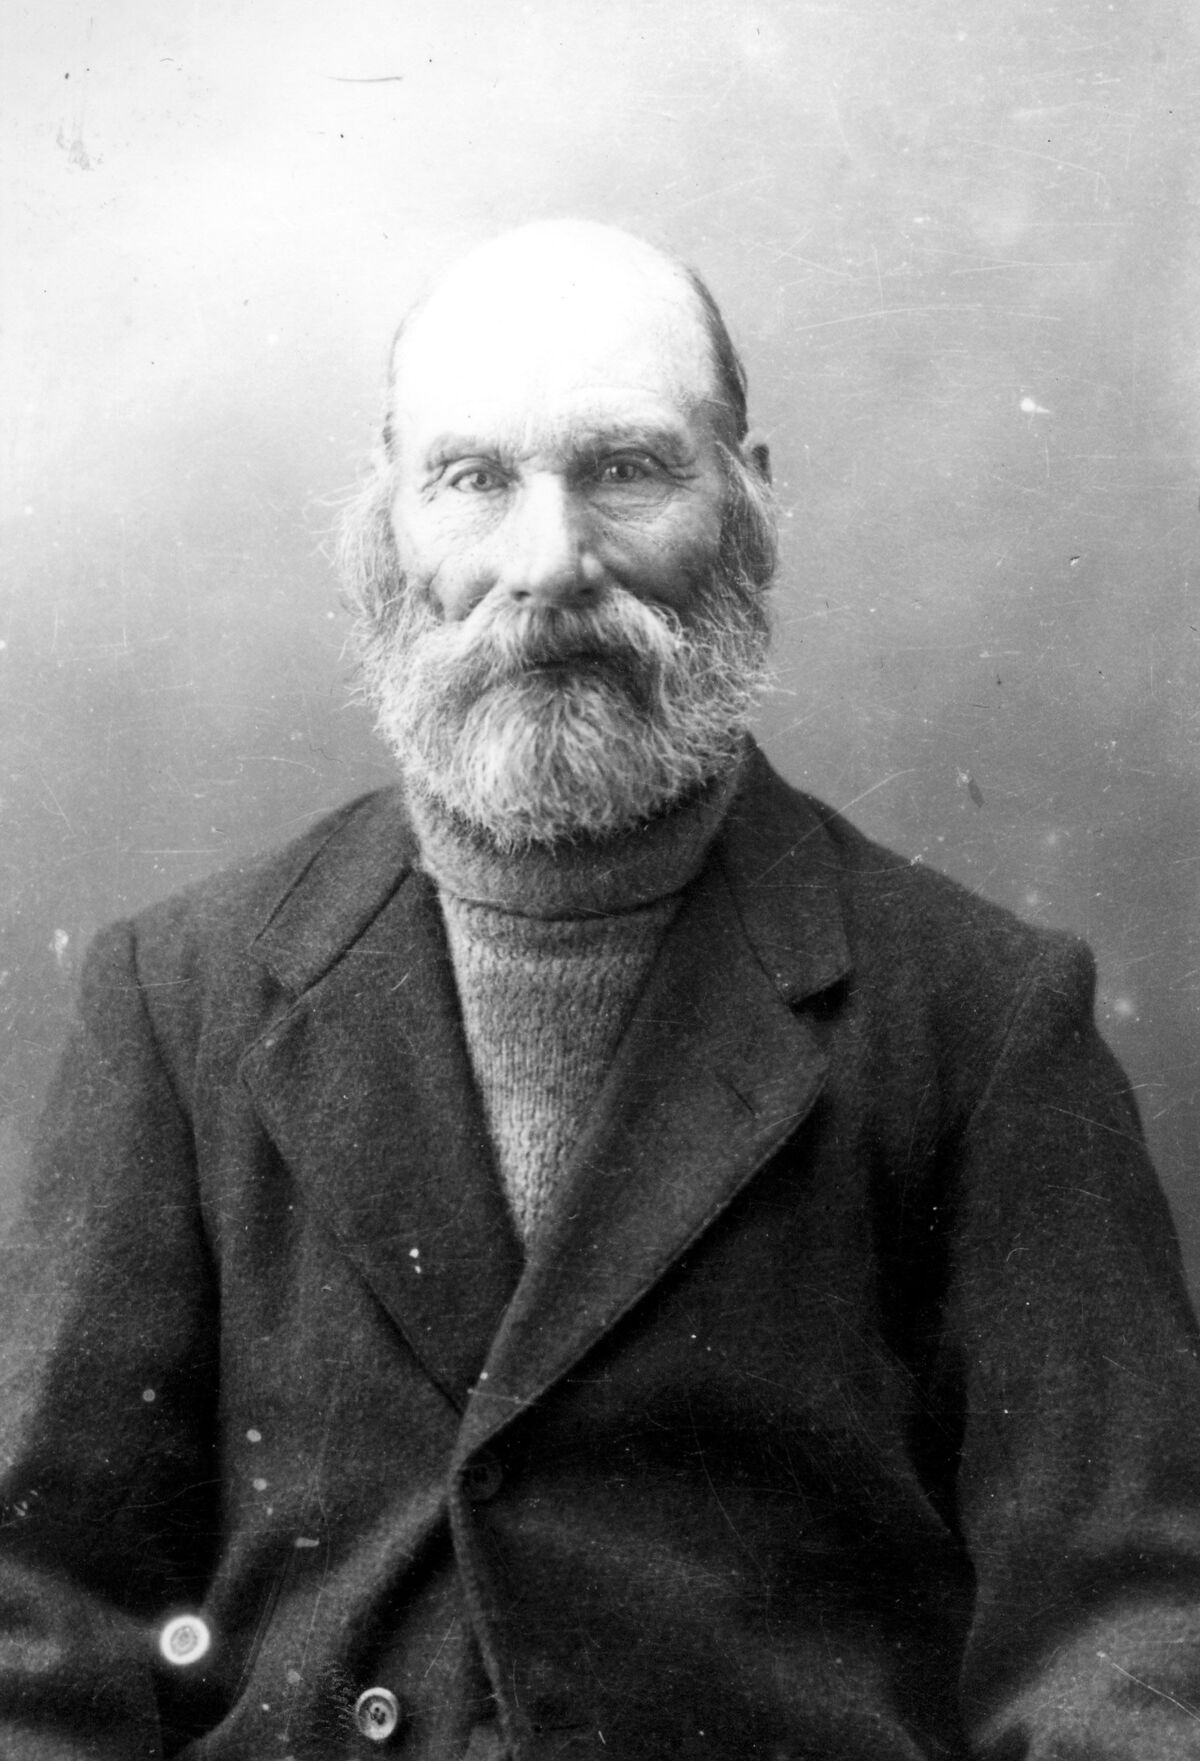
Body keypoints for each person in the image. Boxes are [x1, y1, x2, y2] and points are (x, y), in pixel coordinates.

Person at [4, 219, 1200, 1761]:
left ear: (749, 497)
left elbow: (1122, 1630)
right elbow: (39, 1615)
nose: (548, 562)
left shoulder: (981, 1018)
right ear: (389, 515)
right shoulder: (177, 999)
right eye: (473, 479)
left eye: (626, 470)